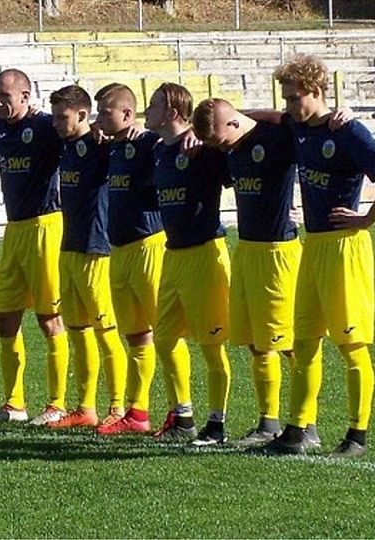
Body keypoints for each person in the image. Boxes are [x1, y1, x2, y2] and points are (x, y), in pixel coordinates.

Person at [262, 55, 375, 457]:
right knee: (303, 341)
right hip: (314, 247)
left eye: (293, 98)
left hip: (345, 248)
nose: (288, 106)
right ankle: (299, 429)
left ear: (317, 92)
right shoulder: (298, 127)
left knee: (351, 343)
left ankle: (357, 435)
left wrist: (366, 219)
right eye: (285, 98)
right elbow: (264, 118)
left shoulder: (347, 130)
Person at [191, 97, 318, 448]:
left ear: (233, 123)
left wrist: (250, 114)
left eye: (220, 139)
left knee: (289, 342)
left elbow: (296, 119)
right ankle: (269, 422)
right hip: (246, 249)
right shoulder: (228, 147)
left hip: (278, 252)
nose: (218, 148)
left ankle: (306, 422)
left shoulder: (275, 139)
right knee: (255, 343)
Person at [0, 69, 68, 427]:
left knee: (49, 318)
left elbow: (78, 132)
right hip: (14, 230)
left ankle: (57, 403)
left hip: (46, 226)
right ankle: (14, 404)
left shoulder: (45, 127)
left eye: (6, 95)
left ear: (26, 96)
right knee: (5, 317)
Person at [143, 83, 233, 446]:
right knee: (164, 338)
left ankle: (217, 424)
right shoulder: (157, 150)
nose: (146, 112)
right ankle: (183, 416)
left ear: (173, 112)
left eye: (152, 106)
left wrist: (208, 142)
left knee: (212, 344)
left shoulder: (202, 149)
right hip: (173, 253)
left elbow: (233, 166)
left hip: (205, 253)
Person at [47, 84, 128, 428]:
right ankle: (85, 407)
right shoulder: (65, 146)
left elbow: (132, 139)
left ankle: (119, 408)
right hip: (69, 248)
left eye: (62, 118)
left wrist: (113, 132)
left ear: (82, 115)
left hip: (97, 249)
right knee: (78, 331)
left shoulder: (101, 147)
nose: (55, 123)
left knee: (105, 331)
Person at [91, 83, 166, 436]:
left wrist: (150, 132)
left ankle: (181, 412)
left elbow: (181, 140)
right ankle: (138, 413)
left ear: (126, 114)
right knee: (136, 336)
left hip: (148, 245)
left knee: (163, 334)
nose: (98, 119)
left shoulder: (149, 144)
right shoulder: (113, 147)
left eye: (104, 112)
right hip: (118, 249)